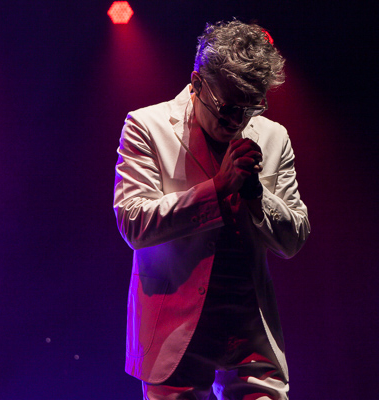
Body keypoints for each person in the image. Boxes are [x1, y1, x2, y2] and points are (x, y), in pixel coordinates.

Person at [113, 20, 310, 400]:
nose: (237, 122)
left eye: (251, 108)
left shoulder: (274, 136)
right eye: (228, 107)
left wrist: (256, 195)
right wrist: (218, 189)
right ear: (197, 82)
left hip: (250, 328)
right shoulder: (147, 126)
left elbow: (293, 240)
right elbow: (133, 223)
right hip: (173, 330)